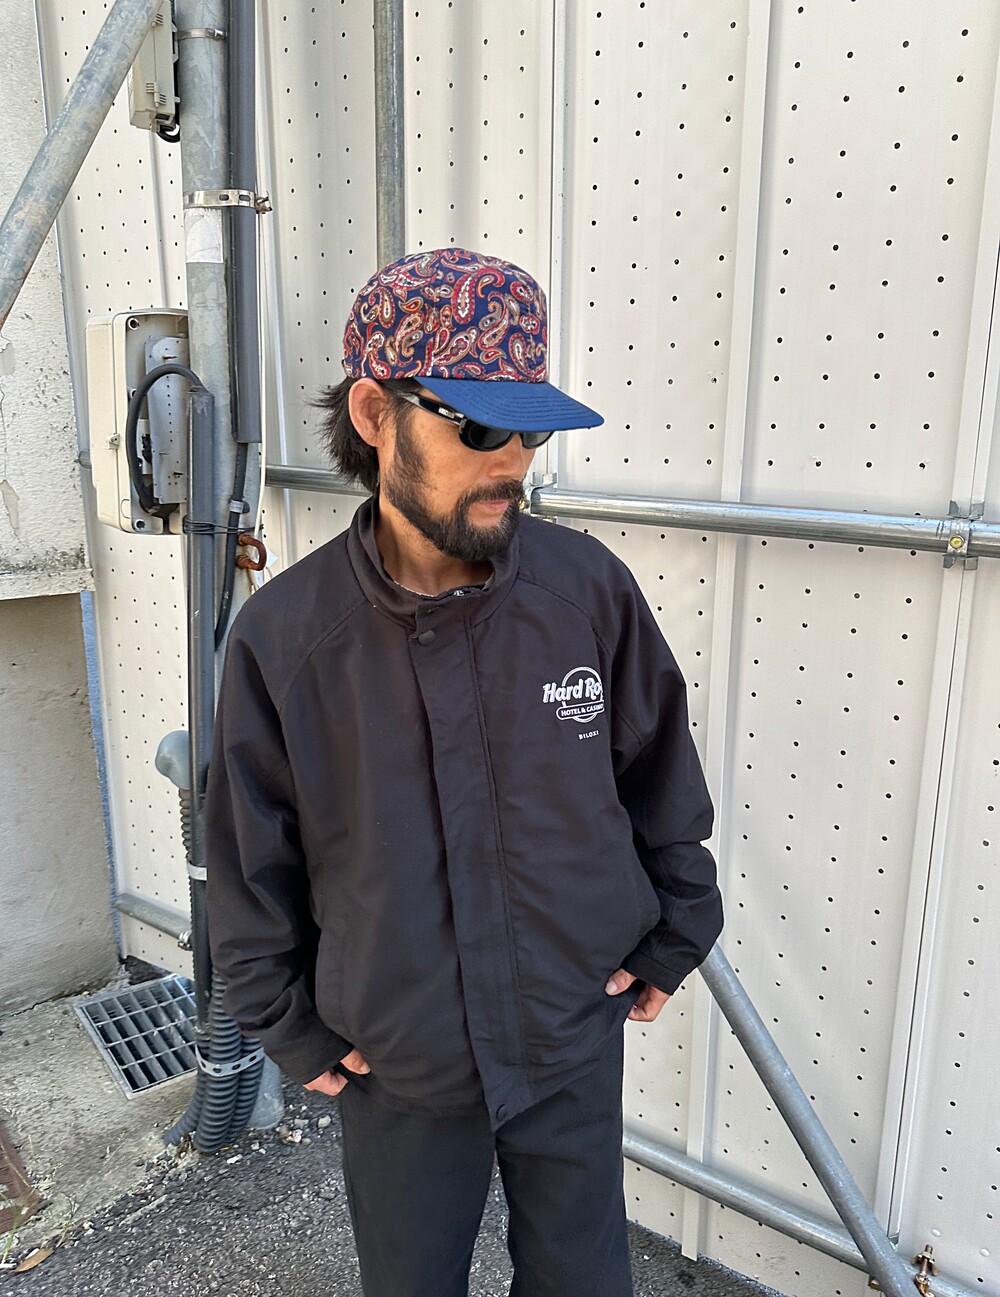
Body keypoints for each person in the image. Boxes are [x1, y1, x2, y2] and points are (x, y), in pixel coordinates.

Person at [204, 246, 724, 1297]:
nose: (513, 462)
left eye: (530, 431)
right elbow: (250, 856)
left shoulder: (586, 591)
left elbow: (658, 773)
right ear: (374, 413)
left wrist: (676, 931)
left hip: (569, 1030)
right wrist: (289, 1024)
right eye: (479, 428)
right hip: (398, 1057)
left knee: (584, 1279)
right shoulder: (287, 638)